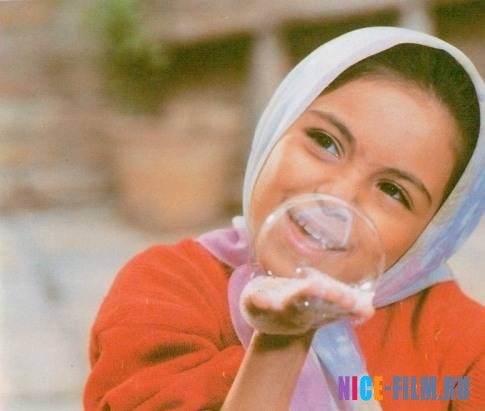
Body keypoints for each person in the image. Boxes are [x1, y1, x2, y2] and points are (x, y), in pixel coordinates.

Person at [84, 27, 485, 410]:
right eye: (325, 142)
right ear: (277, 126)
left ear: (434, 236)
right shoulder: (165, 288)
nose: (336, 198)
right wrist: (282, 341)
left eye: (393, 191)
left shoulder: (463, 347)